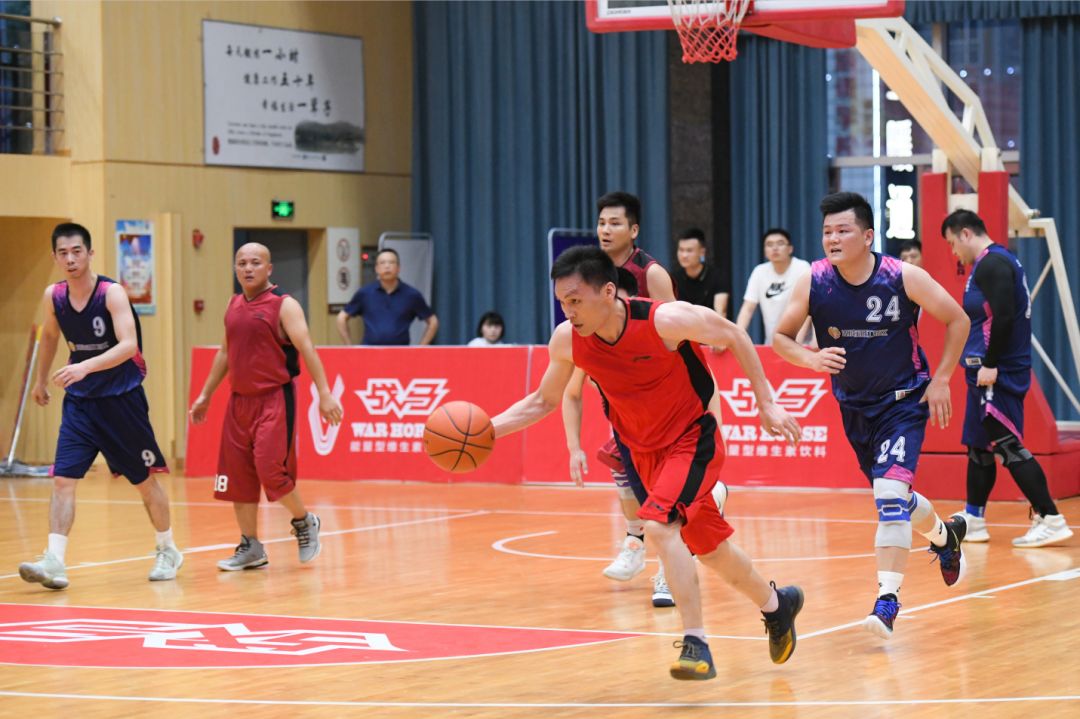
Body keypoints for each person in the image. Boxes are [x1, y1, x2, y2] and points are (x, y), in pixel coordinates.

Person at [494, 245, 805, 680]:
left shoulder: (663, 321)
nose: (568, 311)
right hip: (641, 452)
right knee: (711, 551)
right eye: (562, 301)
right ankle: (777, 605)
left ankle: (696, 643)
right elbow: (543, 400)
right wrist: (486, 431)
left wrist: (766, 402)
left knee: (658, 526)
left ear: (608, 291)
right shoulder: (568, 339)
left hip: (692, 439)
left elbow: (733, 333)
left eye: (576, 300)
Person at [772, 192, 971, 640]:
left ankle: (887, 600)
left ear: (867, 236)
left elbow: (958, 319)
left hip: (903, 403)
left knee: (889, 496)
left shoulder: (902, 276)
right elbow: (781, 337)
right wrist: (811, 359)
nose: (832, 239)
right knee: (895, 497)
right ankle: (945, 537)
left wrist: (941, 379)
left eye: (842, 231)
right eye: (827, 232)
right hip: (854, 408)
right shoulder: (813, 280)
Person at [18, 223, 182, 589]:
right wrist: (40, 380)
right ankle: (54, 560)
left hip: (121, 399)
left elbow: (128, 345)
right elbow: (50, 337)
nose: (71, 259)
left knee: (144, 482)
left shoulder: (112, 293)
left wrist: (84, 366)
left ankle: (167, 549)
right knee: (63, 479)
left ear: (90, 253)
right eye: (63, 253)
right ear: (55, 257)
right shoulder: (54, 296)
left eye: (77, 251)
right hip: (80, 404)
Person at [563, 268, 728, 609]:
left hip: (675, 431)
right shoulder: (589, 339)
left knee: (661, 515)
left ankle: (665, 570)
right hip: (630, 433)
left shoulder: (662, 331)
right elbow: (569, 393)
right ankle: (635, 543)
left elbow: (707, 382)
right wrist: (574, 446)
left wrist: (715, 428)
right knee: (632, 487)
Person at [190, 243, 343, 571]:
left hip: (274, 399)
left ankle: (304, 521)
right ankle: (251, 546)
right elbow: (225, 353)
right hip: (238, 403)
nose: (248, 268)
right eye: (242, 263)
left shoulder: (284, 305)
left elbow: (307, 348)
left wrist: (325, 393)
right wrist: (205, 395)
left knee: (270, 471)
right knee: (237, 477)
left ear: (269, 268)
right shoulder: (232, 305)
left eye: (256, 263)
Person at [942, 210, 1073, 548]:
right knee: (978, 446)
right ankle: (974, 519)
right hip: (982, 371)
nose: (954, 252)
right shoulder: (989, 264)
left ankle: (1050, 518)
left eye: (953, 243)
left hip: (996, 371)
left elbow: (1003, 318)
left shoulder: (993, 263)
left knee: (1007, 443)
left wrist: (990, 364)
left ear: (966, 234)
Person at [335, 248, 438, 345]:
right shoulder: (365, 293)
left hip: (400, 352)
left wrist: (420, 349)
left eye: (391, 262)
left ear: (398, 268)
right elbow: (341, 318)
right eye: (382, 263)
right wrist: (349, 347)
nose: (387, 266)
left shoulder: (411, 295)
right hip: (370, 352)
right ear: (376, 269)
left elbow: (433, 322)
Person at [736, 228, 812, 345]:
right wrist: (736, 337)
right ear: (765, 251)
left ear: (790, 249)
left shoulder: (802, 268)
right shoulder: (759, 271)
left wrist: (795, 344)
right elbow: (748, 309)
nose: (775, 248)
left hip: (802, 344)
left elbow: (808, 309)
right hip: (772, 344)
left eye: (780, 243)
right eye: (769, 245)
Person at [672, 228, 729, 317]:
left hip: (711, 324)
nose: (684, 255)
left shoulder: (717, 277)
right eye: (681, 250)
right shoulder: (673, 279)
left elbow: (721, 312)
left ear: (702, 252)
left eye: (689, 250)